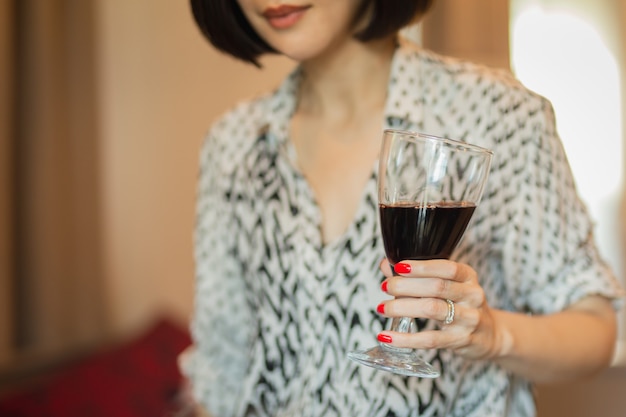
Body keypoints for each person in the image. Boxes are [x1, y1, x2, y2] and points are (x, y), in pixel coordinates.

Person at [179, 0, 624, 416]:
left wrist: (494, 334)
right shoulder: (233, 144)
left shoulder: (499, 115)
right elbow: (222, 364)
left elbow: (595, 328)